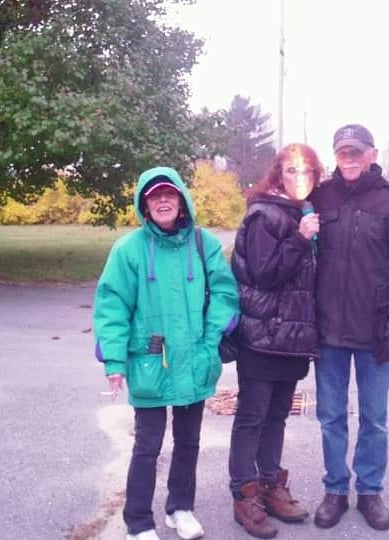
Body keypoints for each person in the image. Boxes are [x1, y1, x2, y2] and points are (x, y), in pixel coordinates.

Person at [93, 166, 240, 540]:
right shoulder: (128, 250)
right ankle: (138, 522)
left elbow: (225, 294)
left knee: (189, 441)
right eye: (154, 196)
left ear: (181, 200)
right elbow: (112, 307)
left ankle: (180, 508)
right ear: (145, 205)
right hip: (149, 361)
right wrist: (114, 361)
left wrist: (210, 340)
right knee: (147, 445)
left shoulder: (204, 244)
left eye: (169, 194)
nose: (162, 200)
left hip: (195, 359)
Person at [309, 124, 389, 531]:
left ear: (372, 154)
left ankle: (370, 491)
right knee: (331, 417)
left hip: (376, 334)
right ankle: (335, 490)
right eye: (343, 152)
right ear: (335, 156)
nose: (350, 158)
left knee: (374, 419)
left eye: (357, 151)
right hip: (328, 333)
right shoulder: (320, 197)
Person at [228, 143, 322, 539]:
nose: (300, 177)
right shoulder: (264, 214)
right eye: (291, 170)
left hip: (293, 338)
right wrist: (300, 239)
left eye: (307, 171)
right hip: (262, 336)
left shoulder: (303, 212)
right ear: (278, 175)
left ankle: (269, 484)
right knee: (252, 417)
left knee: (277, 416)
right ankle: (244, 494)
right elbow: (265, 274)